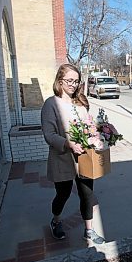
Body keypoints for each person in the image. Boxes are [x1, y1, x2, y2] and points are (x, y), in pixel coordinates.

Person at [41, 63, 105, 244]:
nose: (73, 84)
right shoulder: (51, 104)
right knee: (63, 194)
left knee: (87, 194)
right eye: (69, 80)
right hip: (62, 158)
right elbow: (49, 135)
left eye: (76, 81)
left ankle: (89, 230)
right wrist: (67, 144)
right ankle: (56, 220)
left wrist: (101, 134)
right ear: (60, 81)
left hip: (84, 157)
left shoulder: (80, 104)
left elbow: (89, 127)